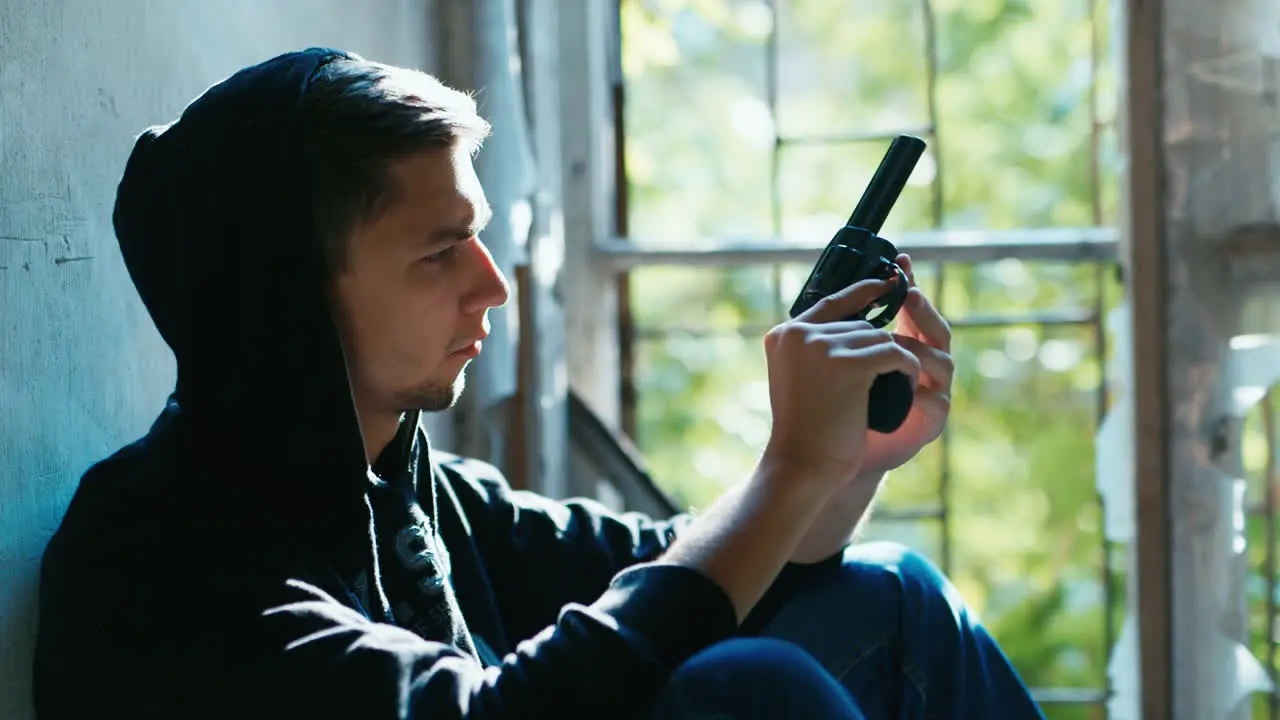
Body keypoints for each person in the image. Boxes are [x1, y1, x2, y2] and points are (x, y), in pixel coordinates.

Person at [32, 47, 1045, 719]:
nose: (492, 287)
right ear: (286, 294)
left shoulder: (410, 488)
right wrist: (787, 468)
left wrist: (841, 466)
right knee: (747, 690)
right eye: (440, 254)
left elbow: (681, 575)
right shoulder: (157, 561)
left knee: (888, 593)